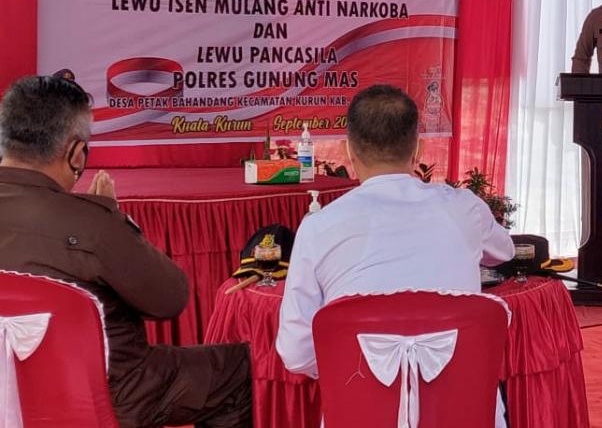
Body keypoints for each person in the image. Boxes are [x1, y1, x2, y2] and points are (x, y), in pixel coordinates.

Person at [0, 76, 251, 428]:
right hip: (103, 396)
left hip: (9, 394)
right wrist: (114, 218)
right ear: (76, 153)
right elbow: (170, 298)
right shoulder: (92, 223)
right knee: (238, 370)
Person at [276, 85, 515, 418]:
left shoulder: (319, 227)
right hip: (464, 413)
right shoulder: (464, 209)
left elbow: (296, 352)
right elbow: (504, 251)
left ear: (348, 152)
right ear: (417, 149)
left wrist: (368, 364)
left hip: (359, 415)